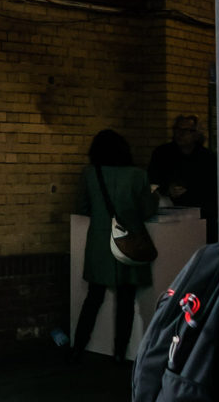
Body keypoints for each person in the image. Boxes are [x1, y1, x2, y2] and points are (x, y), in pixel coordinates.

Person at [72, 128, 159, 362]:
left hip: (100, 243)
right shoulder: (137, 175)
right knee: (126, 300)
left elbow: (82, 206)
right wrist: (155, 196)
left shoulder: (90, 174)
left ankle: (78, 347)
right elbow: (147, 211)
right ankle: (120, 352)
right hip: (128, 242)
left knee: (94, 297)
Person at [148, 114, 218, 242]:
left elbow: (213, 188)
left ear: (196, 134)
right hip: (169, 218)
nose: (180, 134)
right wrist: (167, 189)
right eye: (177, 129)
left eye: (185, 131)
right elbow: (152, 180)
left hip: (201, 218)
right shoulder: (162, 154)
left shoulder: (207, 158)